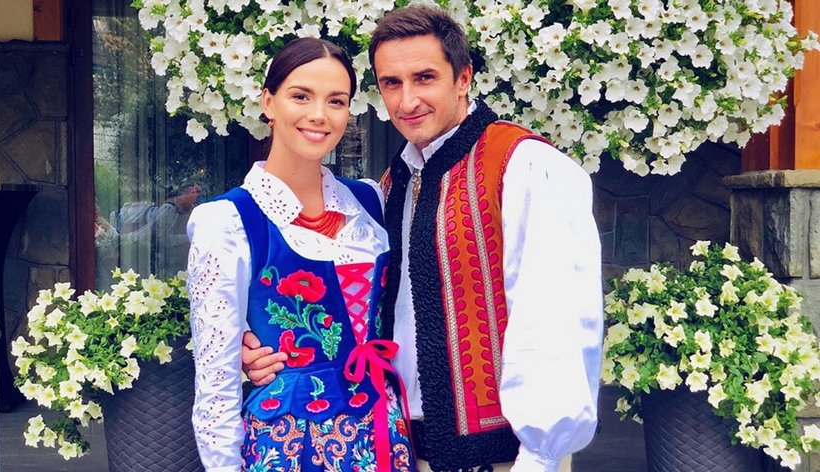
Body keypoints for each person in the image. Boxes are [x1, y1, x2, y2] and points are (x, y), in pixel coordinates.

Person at [243, 6, 604, 472]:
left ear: (463, 78)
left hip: (506, 455)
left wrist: (540, 453)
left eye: (425, 78)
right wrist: (258, 343)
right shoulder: (392, 183)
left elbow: (554, 318)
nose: (407, 100)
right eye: (391, 83)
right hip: (397, 445)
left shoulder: (524, 166)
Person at [186, 37, 416, 472]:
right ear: (268, 102)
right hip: (288, 444)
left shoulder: (371, 201)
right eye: (301, 96)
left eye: (336, 101)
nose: (319, 115)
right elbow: (215, 382)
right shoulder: (227, 222)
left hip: (383, 434)